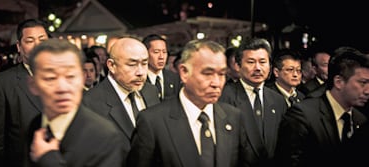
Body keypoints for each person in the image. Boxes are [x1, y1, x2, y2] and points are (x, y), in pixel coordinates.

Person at [127, 39, 250, 167]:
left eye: (221, 74)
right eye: (208, 73)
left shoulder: (233, 117)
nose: (216, 83)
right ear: (184, 72)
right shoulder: (152, 121)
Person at [26, 38, 125, 167]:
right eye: (50, 78)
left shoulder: (104, 136)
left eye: (70, 76)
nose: (62, 88)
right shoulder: (36, 125)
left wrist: (48, 160)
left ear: (82, 78)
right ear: (33, 85)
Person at [274, 49, 369, 167]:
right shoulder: (302, 116)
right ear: (339, 82)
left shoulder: (360, 120)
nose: (367, 91)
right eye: (362, 83)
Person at [82, 37, 160, 163]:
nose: (140, 72)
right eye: (132, 64)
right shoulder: (90, 103)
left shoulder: (151, 91)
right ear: (111, 65)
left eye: (144, 63)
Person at [0, 18, 50, 167]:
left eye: (42, 39)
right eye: (30, 40)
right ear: (19, 47)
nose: (37, 45)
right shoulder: (3, 83)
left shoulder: (65, 77)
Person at [219, 38, 287, 166]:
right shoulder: (224, 97)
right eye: (251, 62)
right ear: (238, 66)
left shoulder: (278, 100)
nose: (257, 68)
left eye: (262, 62)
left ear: (270, 67)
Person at [142, 34, 181, 101]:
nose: (161, 57)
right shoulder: (140, 79)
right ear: (145, 53)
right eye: (156, 52)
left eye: (164, 52)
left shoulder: (174, 78)